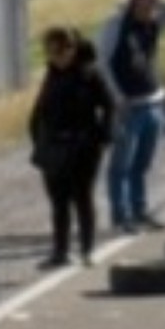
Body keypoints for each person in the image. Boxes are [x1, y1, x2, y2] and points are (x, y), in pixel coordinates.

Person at [96, 0, 165, 235]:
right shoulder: (116, 26)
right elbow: (102, 62)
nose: (148, 8)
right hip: (128, 105)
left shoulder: (153, 24)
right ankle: (121, 215)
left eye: (152, 4)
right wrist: (116, 96)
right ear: (132, 3)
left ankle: (140, 209)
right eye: (143, 2)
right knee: (121, 165)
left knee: (143, 164)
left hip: (153, 102)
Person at [28, 29, 114, 269]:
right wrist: (38, 140)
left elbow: (109, 106)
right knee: (58, 202)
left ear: (73, 49)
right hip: (54, 147)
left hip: (83, 146)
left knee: (83, 198)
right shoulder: (52, 74)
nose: (58, 56)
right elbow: (40, 111)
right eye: (52, 51)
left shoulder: (89, 74)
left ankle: (88, 249)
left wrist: (103, 136)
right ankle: (60, 250)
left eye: (63, 50)